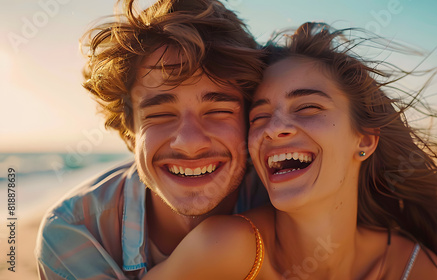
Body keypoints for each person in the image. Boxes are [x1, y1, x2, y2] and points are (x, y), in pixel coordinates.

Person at [143, 22, 437, 279]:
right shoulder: (223, 249)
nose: (275, 127)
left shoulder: (409, 266)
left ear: (364, 140)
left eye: (308, 108)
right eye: (260, 116)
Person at [35, 0, 269, 278]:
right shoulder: (75, 231)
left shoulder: (283, 198)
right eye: (160, 114)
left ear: (249, 122)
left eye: (218, 111)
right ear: (130, 131)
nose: (190, 142)